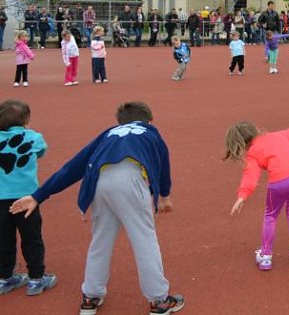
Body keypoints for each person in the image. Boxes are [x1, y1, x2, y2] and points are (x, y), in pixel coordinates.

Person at [9, 101, 185, 315]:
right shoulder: (151, 132)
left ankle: (91, 296)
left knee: (100, 241)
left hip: (98, 181)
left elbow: (74, 166)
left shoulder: (109, 133)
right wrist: (164, 197)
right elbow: (162, 166)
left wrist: (39, 195)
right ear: (150, 120)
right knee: (144, 239)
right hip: (130, 179)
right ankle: (159, 300)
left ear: (119, 122)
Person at [225, 120, 289, 270]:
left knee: (270, 216)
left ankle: (265, 256)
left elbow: (250, 176)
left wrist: (242, 196)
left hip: (280, 182)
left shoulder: (252, 153)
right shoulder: (278, 135)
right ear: (255, 130)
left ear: (242, 142)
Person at [0, 100, 56, 296]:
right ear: (25, 122)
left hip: (1, 198)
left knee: (3, 239)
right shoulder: (33, 137)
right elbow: (41, 152)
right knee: (32, 238)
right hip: (26, 200)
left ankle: (5, 278)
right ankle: (36, 279)